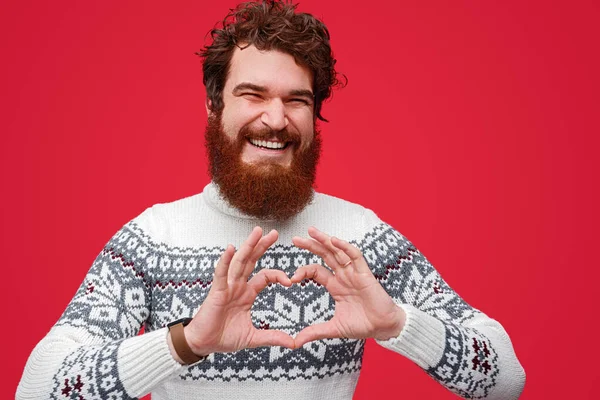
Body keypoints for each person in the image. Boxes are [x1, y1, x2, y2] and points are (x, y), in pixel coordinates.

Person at [16, 1, 525, 399]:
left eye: (296, 100)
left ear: (314, 116)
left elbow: (505, 379)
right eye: (253, 95)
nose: (276, 120)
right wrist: (187, 342)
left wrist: (397, 324)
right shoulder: (152, 240)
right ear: (215, 107)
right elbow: (37, 389)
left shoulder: (359, 240)